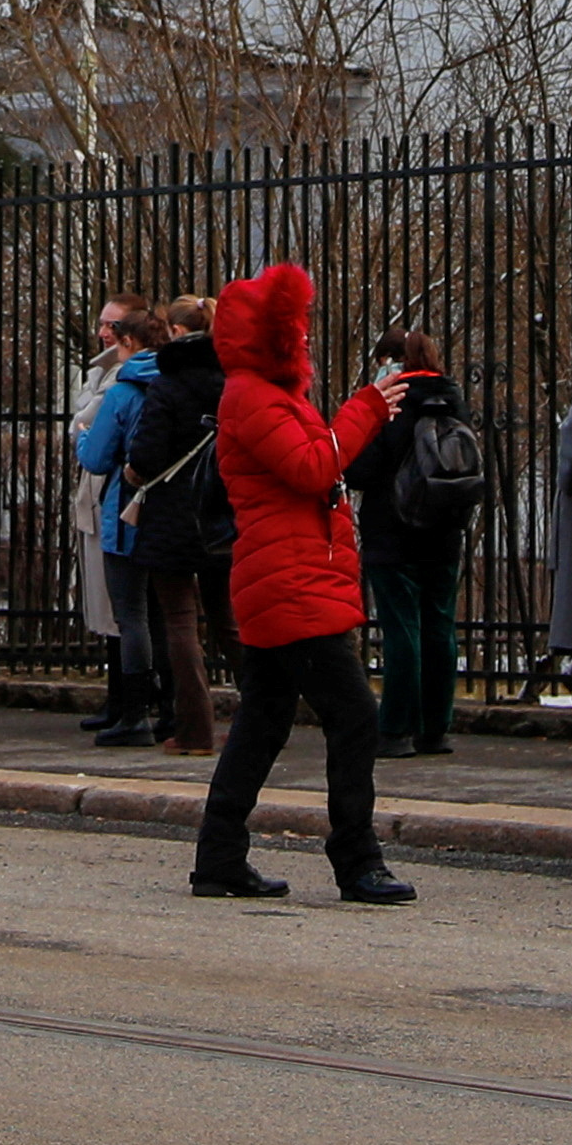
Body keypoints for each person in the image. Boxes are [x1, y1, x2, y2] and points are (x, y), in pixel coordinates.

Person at [192, 262, 411, 902]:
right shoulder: (252, 396)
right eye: (295, 330)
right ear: (270, 337)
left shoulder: (268, 394)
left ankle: (219, 857)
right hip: (289, 585)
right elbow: (315, 467)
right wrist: (366, 408)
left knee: (264, 720)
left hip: (289, 579)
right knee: (355, 715)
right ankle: (357, 859)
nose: (305, 339)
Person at [344, 331, 475, 758]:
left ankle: (396, 728)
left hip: (392, 529)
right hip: (444, 531)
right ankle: (435, 728)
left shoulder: (392, 403)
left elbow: (359, 469)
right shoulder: (453, 401)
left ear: (393, 361)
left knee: (402, 629)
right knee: (439, 626)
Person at [123, 293, 229, 754]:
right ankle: (267, 715)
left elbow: (146, 455)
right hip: (221, 512)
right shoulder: (231, 382)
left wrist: (133, 473)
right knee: (229, 621)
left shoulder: (165, 387)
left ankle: (195, 728)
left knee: (180, 622)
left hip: (171, 515)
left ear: (177, 333)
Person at [73, 305, 172, 746]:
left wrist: (81, 435)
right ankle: (171, 707)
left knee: (131, 616)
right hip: (171, 516)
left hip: (127, 511)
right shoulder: (175, 386)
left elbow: (96, 458)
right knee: (167, 616)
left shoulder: (123, 390)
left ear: (129, 342)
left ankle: (133, 713)